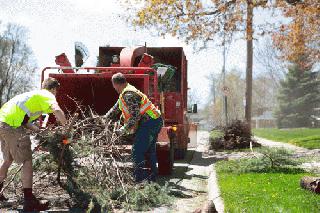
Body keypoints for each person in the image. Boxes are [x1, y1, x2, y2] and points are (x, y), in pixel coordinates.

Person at [0, 77, 67, 211]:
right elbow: (57, 109)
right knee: (27, 160)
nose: (56, 94)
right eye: (56, 91)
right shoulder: (47, 94)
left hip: (2, 122)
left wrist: (39, 130)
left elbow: (25, 121)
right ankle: (29, 200)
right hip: (12, 125)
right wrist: (67, 129)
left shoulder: (33, 97)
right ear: (53, 89)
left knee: (8, 159)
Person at [105, 73, 163, 182]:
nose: (113, 88)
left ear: (115, 84)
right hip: (155, 120)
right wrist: (104, 118)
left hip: (149, 123)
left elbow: (135, 116)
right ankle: (152, 178)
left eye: (113, 86)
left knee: (137, 151)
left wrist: (123, 129)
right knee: (149, 151)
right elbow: (115, 108)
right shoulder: (126, 92)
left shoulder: (128, 95)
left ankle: (140, 180)